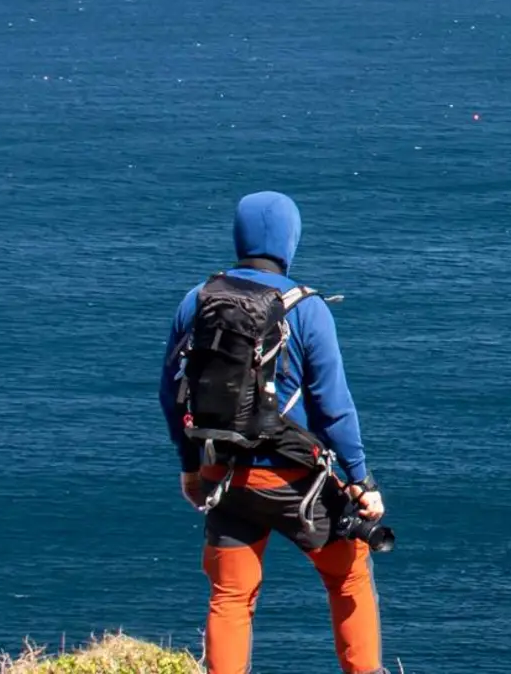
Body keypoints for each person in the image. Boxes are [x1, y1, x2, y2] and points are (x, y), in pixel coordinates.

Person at [160, 191, 386, 674]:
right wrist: (361, 480)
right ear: (290, 239)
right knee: (348, 576)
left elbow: (170, 392)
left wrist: (189, 467)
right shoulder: (306, 308)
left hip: (224, 474)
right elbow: (333, 409)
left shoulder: (196, 300)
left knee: (230, 596)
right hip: (294, 482)